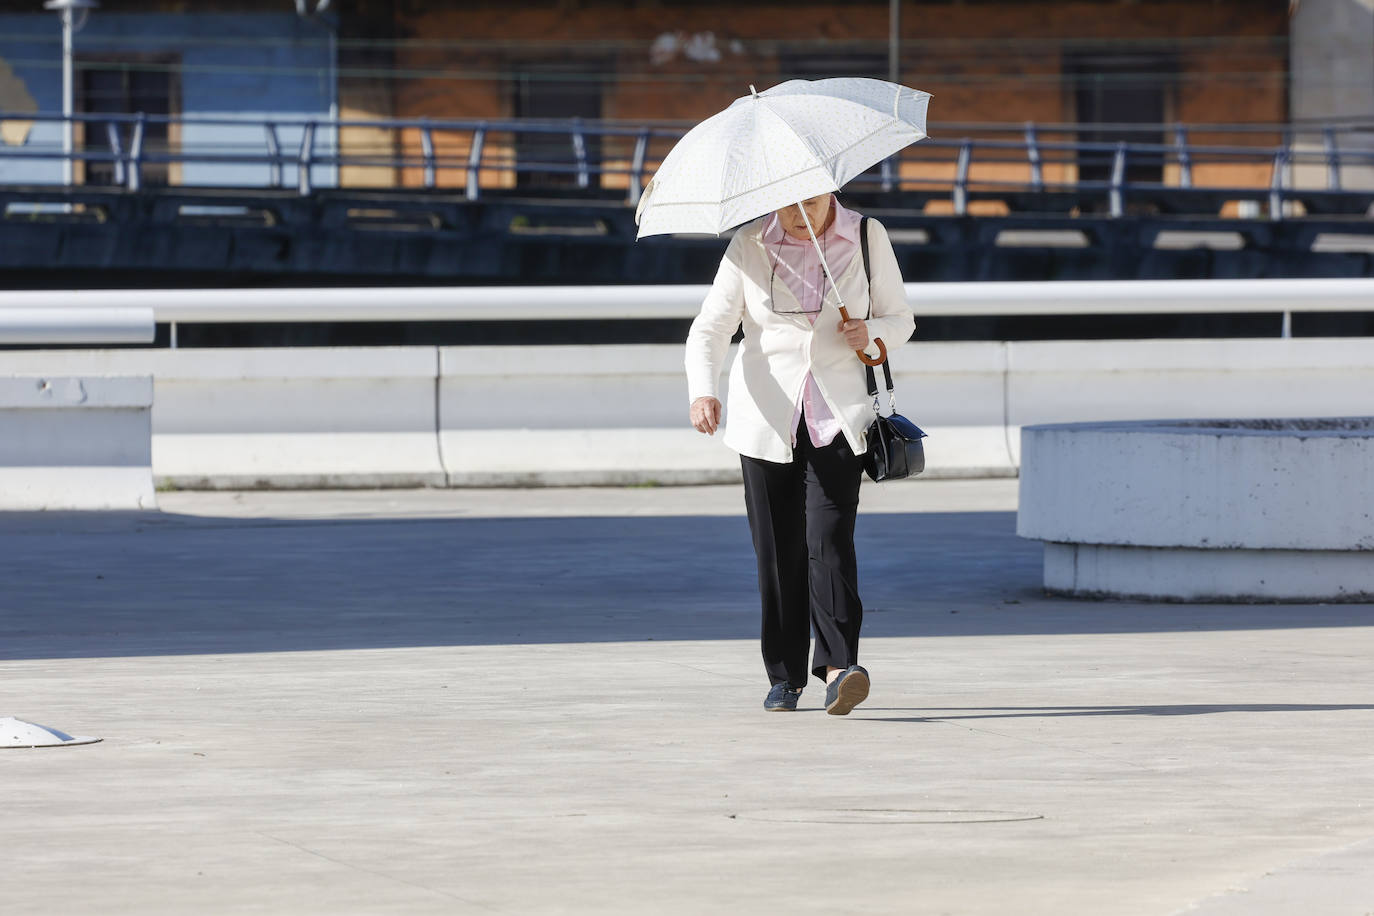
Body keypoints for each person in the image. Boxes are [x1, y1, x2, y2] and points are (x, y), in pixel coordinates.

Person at [685, 192, 915, 715]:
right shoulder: (749, 245)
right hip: (765, 418)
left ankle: (839, 669)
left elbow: (900, 319)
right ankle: (784, 677)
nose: (797, 214)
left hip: (839, 416)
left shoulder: (864, 235)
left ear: (829, 193)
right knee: (777, 550)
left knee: (830, 542)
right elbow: (712, 328)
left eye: (808, 202)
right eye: (785, 204)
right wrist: (704, 390)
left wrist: (871, 333)